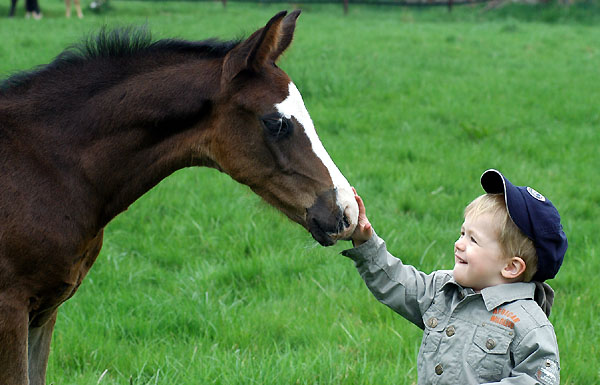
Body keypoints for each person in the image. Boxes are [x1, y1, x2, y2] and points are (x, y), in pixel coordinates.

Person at [343, 169, 567, 384]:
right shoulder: (443, 289)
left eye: (473, 240)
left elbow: (537, 380)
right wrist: (366, 243)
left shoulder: (529, 325)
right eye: (462, 233)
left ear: (510, 267)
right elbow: (398, 283)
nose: (459, 244)